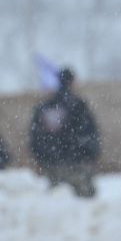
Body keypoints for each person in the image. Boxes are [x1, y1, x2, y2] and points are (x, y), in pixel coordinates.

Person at [29, 68, 100, 198]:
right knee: (84, 204)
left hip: (52, 164)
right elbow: (89, 132)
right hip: (77, 163)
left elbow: (35, 135)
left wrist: (42, 157)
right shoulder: (78, 105)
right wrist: (91, 154)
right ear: (72, 82)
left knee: (57, 201)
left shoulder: (45, 106)